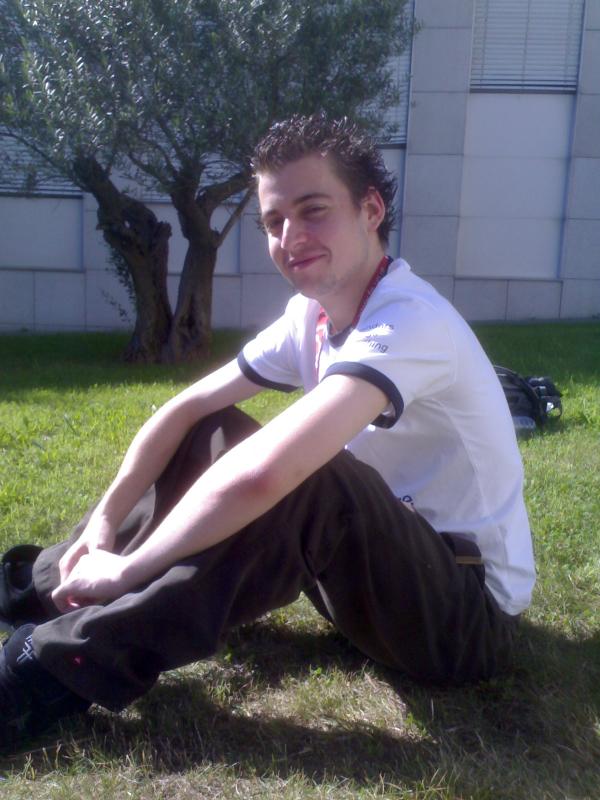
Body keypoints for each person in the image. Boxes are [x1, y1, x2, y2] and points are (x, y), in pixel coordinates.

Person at [0, 114, 535, 749]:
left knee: (306, 476)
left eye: (314, 211)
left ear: (370, 210)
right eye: (274, 221)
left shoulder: (412, 321)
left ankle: (55, 669)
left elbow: (267, 474)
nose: (290, 237)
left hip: (465, 617)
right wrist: (105, 522)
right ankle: (42, 586)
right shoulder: (310, 316)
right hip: (366, 580)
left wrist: (131, 570)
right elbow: (184, 409)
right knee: (213, 429)